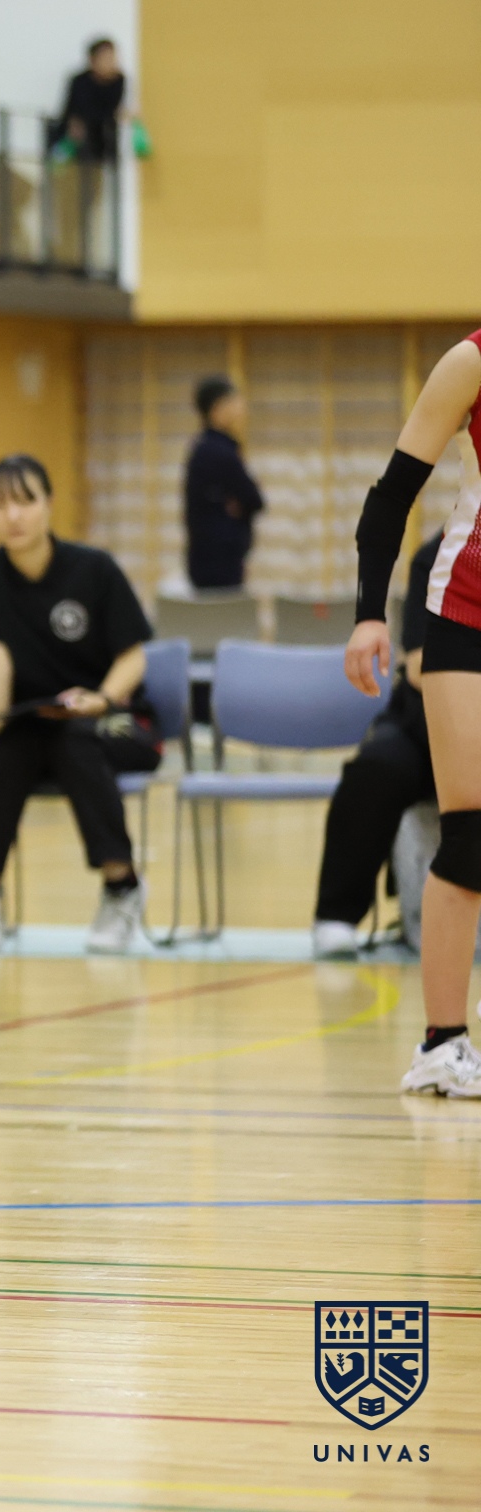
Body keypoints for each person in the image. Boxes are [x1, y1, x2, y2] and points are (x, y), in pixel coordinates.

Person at [344, 332, 481, 1097]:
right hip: (468, 615)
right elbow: (391, 494)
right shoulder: (470, 362)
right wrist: (370, 615)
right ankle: (442, 1043)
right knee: (472, 834)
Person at [0, 455, 159, 954]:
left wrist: (101, 699)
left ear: (48, 504)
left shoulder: (94, 569)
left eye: (25, 501)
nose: (12, 516)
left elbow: (133, 658)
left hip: (114, 721)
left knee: (76, 739)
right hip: (38, 724)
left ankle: (122, 887)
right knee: (7, 753)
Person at [313, 533, 442, 958]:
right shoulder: (437, 555)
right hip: (429, 718)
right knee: (378, 767)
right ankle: (336, 916)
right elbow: (419, 664)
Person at [183, 375, 262, 593]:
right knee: (224, 612)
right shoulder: (217, 452)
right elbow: (254, 500)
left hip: (209, 560)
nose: (241, 408)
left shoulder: (205, 448)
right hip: (218, 564)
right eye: (234, 402)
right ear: (218, 408)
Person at [59, 37, 126, 163]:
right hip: (79, 137)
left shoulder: (118, 80)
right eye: (105, 58)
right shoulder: (80, 81)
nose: (111, 62)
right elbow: (75, 110)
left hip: (104, 135)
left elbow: (111, 110)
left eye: (112, 58)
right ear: (93, 60)